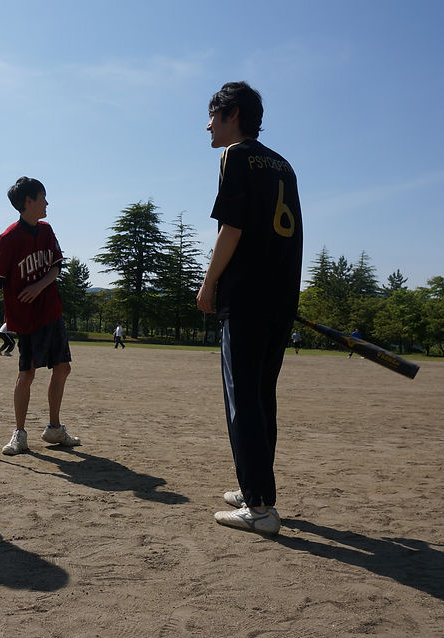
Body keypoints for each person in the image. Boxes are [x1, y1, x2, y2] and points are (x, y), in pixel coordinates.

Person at [196, 82, 303, 535]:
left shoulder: (235, 156)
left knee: (244, 401)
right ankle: (254, 485)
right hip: (280, 297)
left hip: (246, 298)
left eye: (213, 115)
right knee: (262, 398)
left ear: (232, 114)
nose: (207, 125)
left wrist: (209, 283)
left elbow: (232, 229)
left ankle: (259, 507)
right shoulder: (284, 164)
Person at [0, 176, 81, 456]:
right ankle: (19, 433)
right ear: (28, 202)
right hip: (24, 317)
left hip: (51, 310)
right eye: (42, 197)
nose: (47, 202)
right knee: (26, 374)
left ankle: (54, 428)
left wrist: (39, 286)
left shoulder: (47, 231)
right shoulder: (9, 237)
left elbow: (56, 268)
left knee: (62, 368)